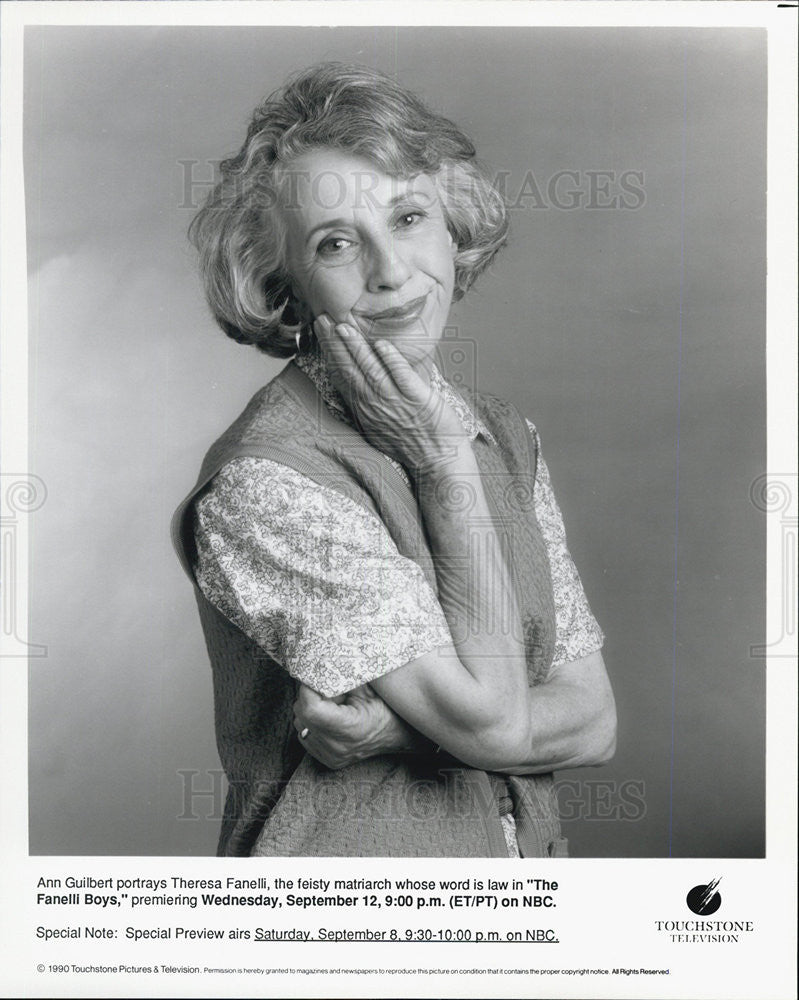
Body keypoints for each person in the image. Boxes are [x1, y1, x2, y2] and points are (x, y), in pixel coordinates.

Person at [171, 62, 616, 858]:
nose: (391, 272)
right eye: (337, 243)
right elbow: (500, 723)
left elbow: (593, 721)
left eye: (408, 218)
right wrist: (443, 466)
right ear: (288, 284)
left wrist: (398, 734)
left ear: (452, 226)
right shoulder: (263, 481)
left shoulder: (508, 436)